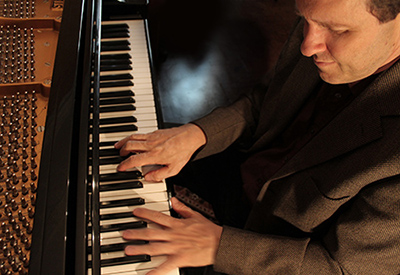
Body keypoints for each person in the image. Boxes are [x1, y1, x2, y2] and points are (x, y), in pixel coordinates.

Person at [114, 0, 400, 274]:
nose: (306, 46)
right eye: (303, 19)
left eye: (337, 31)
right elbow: (267, 101)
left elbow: (343, 268)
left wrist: (220, 247)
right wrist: (198, 134)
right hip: (238, 176)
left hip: (266, 249)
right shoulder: (319, 26)